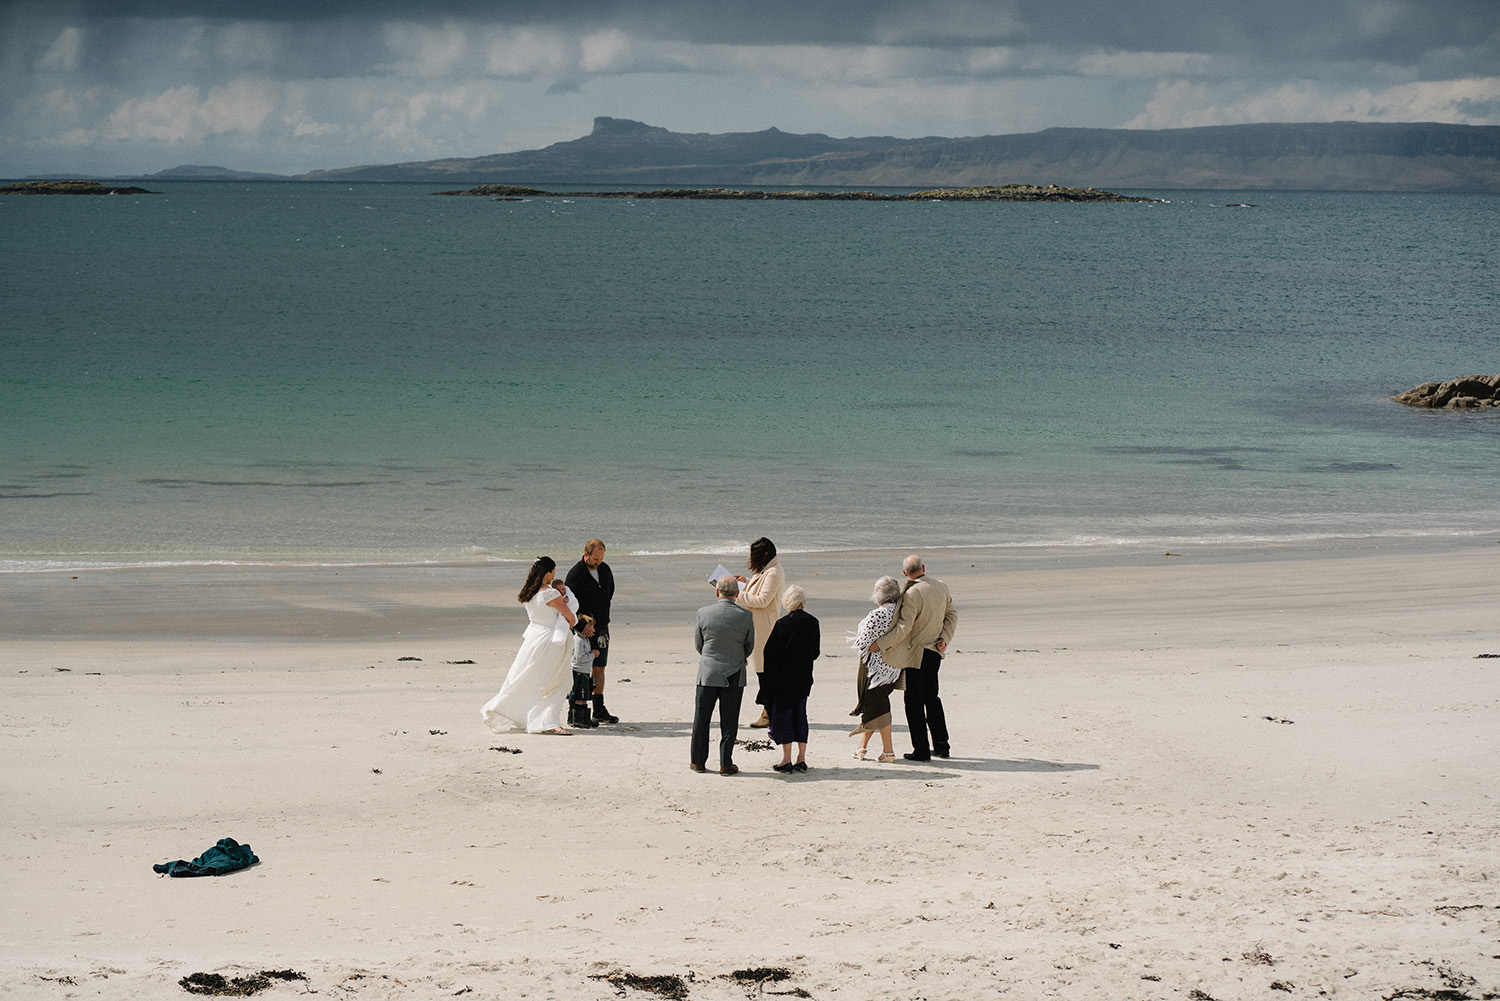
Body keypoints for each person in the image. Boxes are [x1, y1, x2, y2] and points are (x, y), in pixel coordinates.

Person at [869, 554, 958, 761]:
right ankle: (942, 746)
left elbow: (903, 627)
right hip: (935, 650)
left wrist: (880, 644)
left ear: (904, 573)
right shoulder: (941, 586)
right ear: (923, 567)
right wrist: (945, 637)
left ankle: (921, 750)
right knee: (932, 698)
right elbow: (952, 615)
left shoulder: (911, 594)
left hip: (916, 654)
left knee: (913, 702)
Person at [481, 557, 579, 735]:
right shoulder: (550, 594)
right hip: (550, 640)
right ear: (548, 572)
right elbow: (569, 617)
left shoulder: (529, 593)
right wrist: (571, 622)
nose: (553, 577)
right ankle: (549, 722)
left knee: (528, 677)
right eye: (553, 573)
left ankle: (527, 716)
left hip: (533, 639)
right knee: (555, 680)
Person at [691, 576, 755, 775]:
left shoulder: (703, 613)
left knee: (702, 718)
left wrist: (711, 657)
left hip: (708, 672)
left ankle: (698, 761)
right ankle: (725, 763)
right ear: (737, 594)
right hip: (734, 671)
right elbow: (749, 646)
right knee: (729, 720)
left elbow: (699, 645)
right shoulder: (746, 615)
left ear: (717, 592)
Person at [757, 585, 820, 774]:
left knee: (784, 717)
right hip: (803, 677)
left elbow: (769, 653)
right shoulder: (813, 622)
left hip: (784, 680)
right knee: (801, 715)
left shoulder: (782, 624)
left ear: (786, 603)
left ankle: (786, 759)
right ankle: (801, 758)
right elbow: (815, 652)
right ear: (803, 602)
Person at [565, 538, 619, 724]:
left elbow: (609, 592)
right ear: (586, 554)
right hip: (582, 629)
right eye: (595, 559)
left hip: (602, 625)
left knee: (600, 667)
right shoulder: (575, 574)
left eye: (601, 558)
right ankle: (577, 705)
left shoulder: (605, 570)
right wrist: (582, 625)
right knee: (582, 667)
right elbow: (568, 607)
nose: (598, 562)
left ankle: (599, 708)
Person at [849, 575, 902, 763]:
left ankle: (888, 751)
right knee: (875, 706)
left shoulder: (878, 614)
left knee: (878, 706)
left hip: (875, 668)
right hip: (894, 666)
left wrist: (876, 644)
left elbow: (861, 641)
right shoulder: (902, 613)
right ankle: (861, 748)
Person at [733, 536, 785, 728]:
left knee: (765, 672)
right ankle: (769, 710)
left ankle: (769, 712)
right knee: (763, 671)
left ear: (764, 555)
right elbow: (760, 590)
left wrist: (738, 594)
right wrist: (746, 583)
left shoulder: (773, 572)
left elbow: (763, 600)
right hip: (758, 626)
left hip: (764, 628)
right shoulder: (768, 569)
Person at [567, 614, 599, 730]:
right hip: (579, 671)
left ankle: (583, 718)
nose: (593, 630)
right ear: (584, 628)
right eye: (591, 627)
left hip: (584, 671)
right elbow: (579, 657)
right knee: (581, 696)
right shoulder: (579, 640)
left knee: (584, 695)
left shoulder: (584, 639)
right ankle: (579, 719)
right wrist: (592, 655)